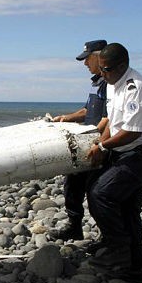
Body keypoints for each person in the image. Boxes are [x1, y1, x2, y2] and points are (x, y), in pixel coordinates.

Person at [86, 43, 142, 281]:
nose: (102, 74)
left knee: (101, 194)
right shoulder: (113, 84)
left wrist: (102, 147)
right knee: (127, 207)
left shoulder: (136, 88)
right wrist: (101, 145)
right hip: (127, 152)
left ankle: (117, 250)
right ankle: (134, 266)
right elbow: (113, 121)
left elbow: (132, 131)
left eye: (107, 69)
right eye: (100, 69)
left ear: (123, 66)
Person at [49, 40, 108, 241]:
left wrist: (97, 143)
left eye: (87, 59)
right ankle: (74, 226)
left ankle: (106, 236)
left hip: (99, 144)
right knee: (72, 184)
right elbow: (87, 111)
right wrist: (66, 118)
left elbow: (109, 118)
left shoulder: (110, 84)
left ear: (100, 57)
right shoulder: (96, 83)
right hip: (87, 141)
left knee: (96, 192)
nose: (85, 64)